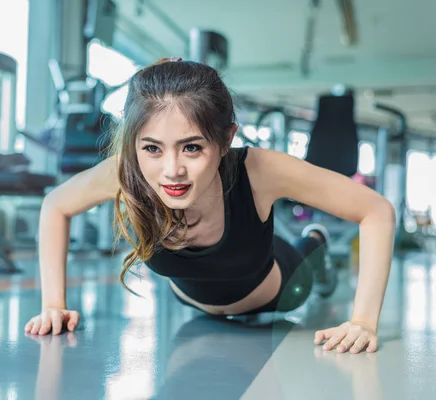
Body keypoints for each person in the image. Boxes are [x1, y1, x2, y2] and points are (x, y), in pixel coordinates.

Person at [24, 58, 396, 354]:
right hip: (199, 310)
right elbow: (56, 205)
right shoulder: (127, 172)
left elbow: (376, 210)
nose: (172, 171)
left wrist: (363, 321)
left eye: (192, 147)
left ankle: (316, 241)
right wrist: (54, 302)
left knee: (306, 253)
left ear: (225, 140)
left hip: (282, 291)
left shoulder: (260, 169)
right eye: (152, 148)